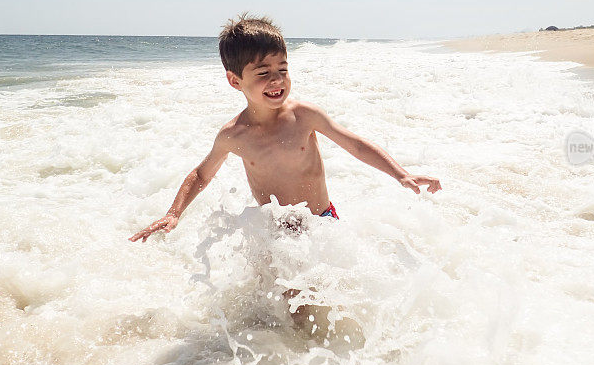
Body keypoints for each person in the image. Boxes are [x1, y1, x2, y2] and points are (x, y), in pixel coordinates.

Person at [129, 15, 442, 243]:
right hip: (273, 235)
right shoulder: (233, 136)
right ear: (235, 81)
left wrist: (402, 174)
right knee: (282, 314)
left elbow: (355, 145)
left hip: (321, 223)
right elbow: (202, 174)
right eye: (263, 73)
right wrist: (174, 213)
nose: (276, 80)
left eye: (282, 70)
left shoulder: (304, 116)